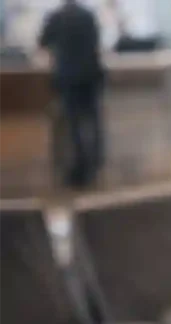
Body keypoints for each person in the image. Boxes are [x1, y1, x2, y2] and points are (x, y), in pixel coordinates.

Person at [39, 0, 105, 188]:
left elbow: (43, 42)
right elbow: (97, 41)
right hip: (90, 75)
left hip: (69, 76)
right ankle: (95, 164)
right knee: (93, 121)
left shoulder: (56, 17)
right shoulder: (88, 15)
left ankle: (79, 170)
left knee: (74, 124)